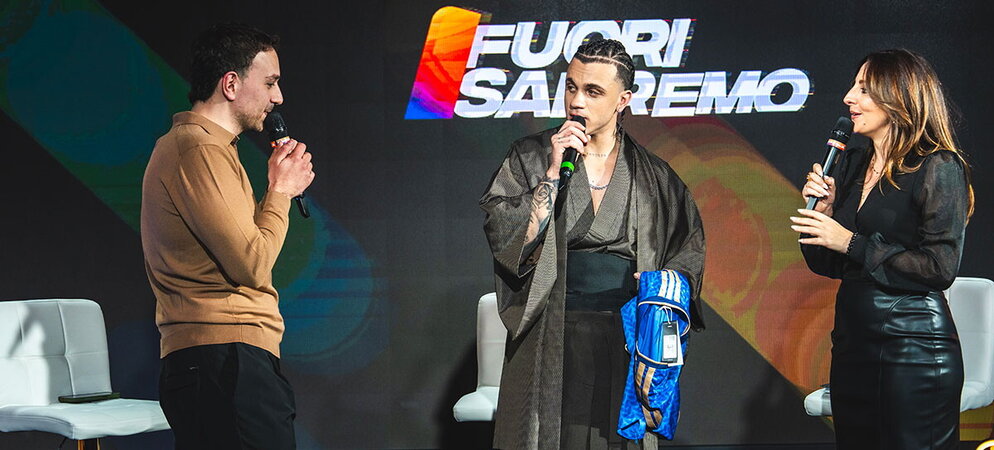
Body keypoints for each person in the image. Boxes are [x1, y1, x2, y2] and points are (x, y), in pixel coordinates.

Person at [480, 38, 706, 450]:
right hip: (551, 328)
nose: (576, 101)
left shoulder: (654, 176)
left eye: (593, 91)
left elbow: (687, 251)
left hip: (626, 335)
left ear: (623, 100)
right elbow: (505, 236)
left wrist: (662, 285)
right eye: (571, 86)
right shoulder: (531, 157)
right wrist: (552, 173)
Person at [141, 23, 314, 450]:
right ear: (231, 84)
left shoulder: (211, 149)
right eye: (270, 83)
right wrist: (280, 191)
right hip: (225, 361)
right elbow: (252, 264)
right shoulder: (198, 149)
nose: (278, 97)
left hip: (225, 362)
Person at [792, 49, 974, 449]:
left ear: (898, 96)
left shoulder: (937, 166)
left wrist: (850, 241)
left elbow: (939, 267)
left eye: (863, 88)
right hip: (853, 346)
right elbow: (829, 264)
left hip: (914, 350)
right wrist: (824, 215)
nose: (848, 98)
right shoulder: (855, 163)